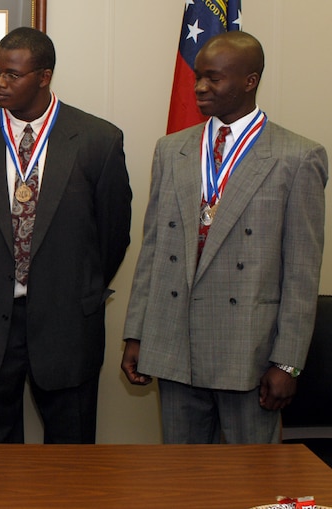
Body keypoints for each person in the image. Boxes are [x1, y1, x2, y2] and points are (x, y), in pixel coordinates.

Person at [121, 31, 328, 444]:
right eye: (198, 77)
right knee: (184, 482)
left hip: (248, 353)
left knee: (250, 483)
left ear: (250, 81)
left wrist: (287, 364)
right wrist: (137, 332)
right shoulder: (172, 149)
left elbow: (302, 274)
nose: (200, 87)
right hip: (174, 344)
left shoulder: (297, 156)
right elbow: (154, 250)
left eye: (213, 79)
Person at [0, 27, 131, 444]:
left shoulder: (98, 140)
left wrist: (79, 288)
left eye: (12, 74)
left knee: (71, 461)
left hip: (68, 325)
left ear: (44, 76)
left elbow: (113, 236)